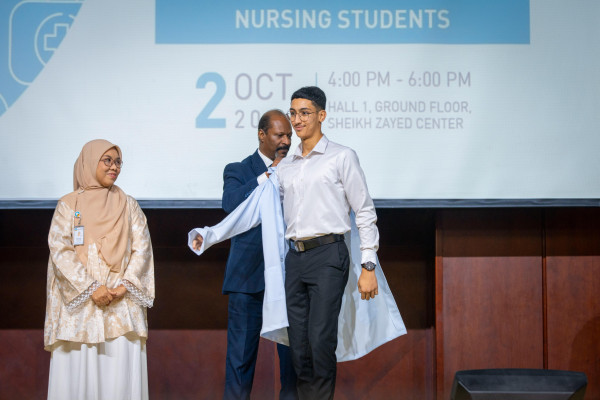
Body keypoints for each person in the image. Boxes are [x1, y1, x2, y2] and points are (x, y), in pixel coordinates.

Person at [189, 87, 405, 400]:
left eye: (304, 113)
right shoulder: (285, 167)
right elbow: (251, 211)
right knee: (299, 348)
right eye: (293, 114)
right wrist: (210, 235)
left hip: (329, 255)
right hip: (291, 262)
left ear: (321, 115)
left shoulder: (341, 156)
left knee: (318, 343)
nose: (296, 122)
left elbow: (364, 211)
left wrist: (368, 264)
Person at [44, 139, 155, 400]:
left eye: (118, 162)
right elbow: (60, 249)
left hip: (121, 307)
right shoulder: (68, 205)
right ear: (90, 161)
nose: (114, 167)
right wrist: (91, 288)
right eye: (107, 160)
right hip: (79, 310)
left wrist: (123, 287)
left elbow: (143, 249)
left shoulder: (129, 205)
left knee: (119, 380)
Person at [220, 110, 297, 400]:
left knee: (293, 365)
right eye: (280, 135)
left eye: (289, 135)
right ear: (262, 135)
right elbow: (231, 204)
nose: (286, 141)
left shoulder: (296, 169)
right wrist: (268, 174)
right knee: (240, 361)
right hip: (247, 280)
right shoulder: (238, 169)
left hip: (290, 280)